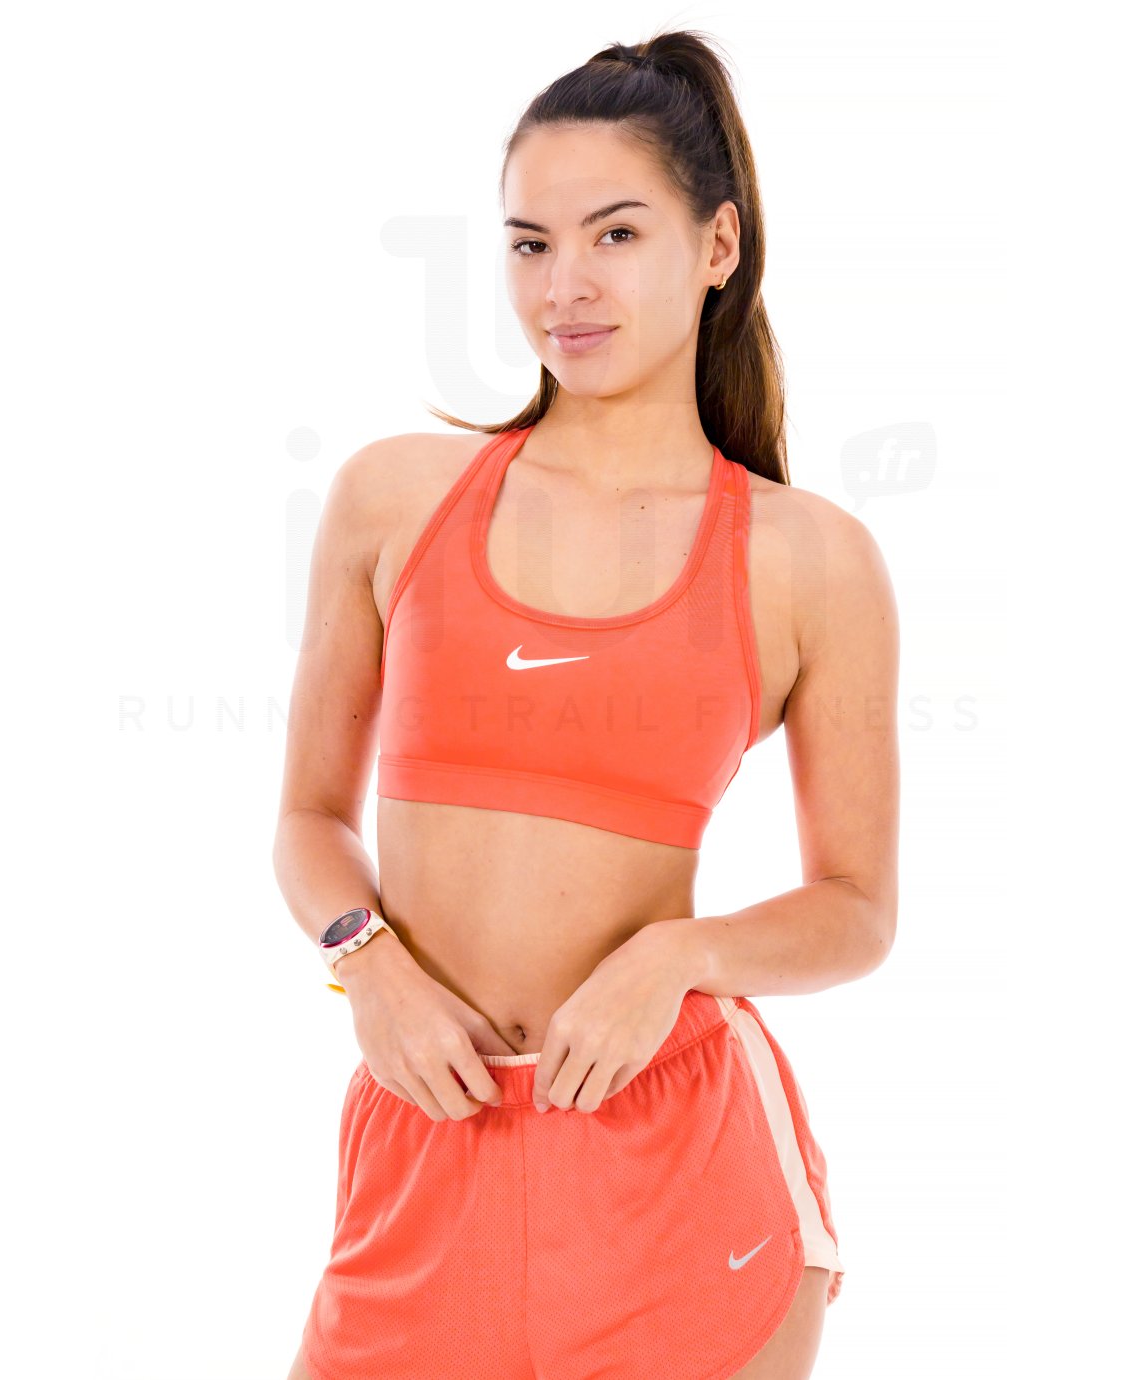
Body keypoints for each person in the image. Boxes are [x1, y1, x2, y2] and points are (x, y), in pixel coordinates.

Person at [275, 30, 899, 1380]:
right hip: (418, 1157)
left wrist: (678, 957)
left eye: (615, 234)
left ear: (716, 245)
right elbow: (309, 818)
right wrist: (365, 962)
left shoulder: (806, 560)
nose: (564, 286)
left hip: (672, 1178)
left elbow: (857, 910)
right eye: (529, 243)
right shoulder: (393, 499)